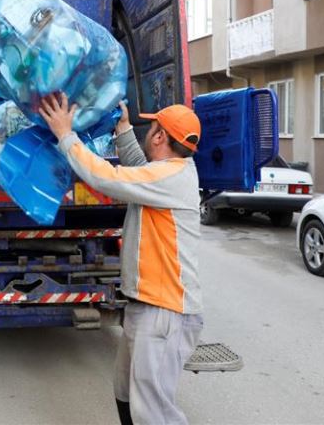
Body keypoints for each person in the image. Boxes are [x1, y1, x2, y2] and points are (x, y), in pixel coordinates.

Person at [39, 92, 204, 425]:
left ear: (159, 136)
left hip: (164, 313)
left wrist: (65, 135)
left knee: (155, 414)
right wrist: (125, 129)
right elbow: (140, 171)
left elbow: (108, 177)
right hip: (149, 306)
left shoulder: (168, 178)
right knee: (126, 393)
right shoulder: (169, 171)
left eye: (151, 125)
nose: (148, 129)